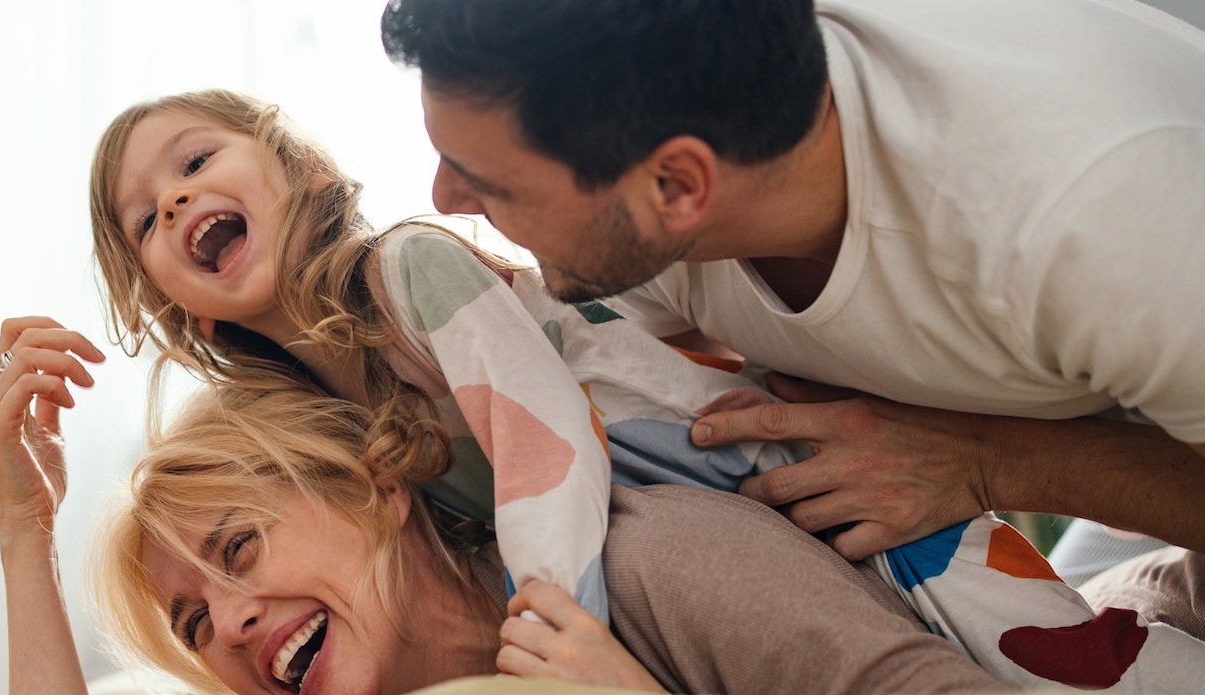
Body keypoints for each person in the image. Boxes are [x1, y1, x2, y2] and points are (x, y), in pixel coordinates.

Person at [84, 88, 1205, 692]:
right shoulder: (327, 410)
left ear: (302, 170)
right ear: (181, 307)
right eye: (144, 219)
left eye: (196, 162)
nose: (176, 201)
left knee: (1028, 636)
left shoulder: (408, 271)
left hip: (738, 445)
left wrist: (549, 628)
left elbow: (545, 444)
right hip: (678, 494)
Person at [381, 0, 1205, 632]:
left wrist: (988, 460)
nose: (444, 201)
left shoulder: (1096, 216)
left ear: (677, 187)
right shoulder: (659, 195)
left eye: (489, 181)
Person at [0, 337, 1015, 695]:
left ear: (377, 487)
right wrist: (26, 535)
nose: (233, 622)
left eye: (239, 547)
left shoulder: (654, 563)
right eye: (194, 624)